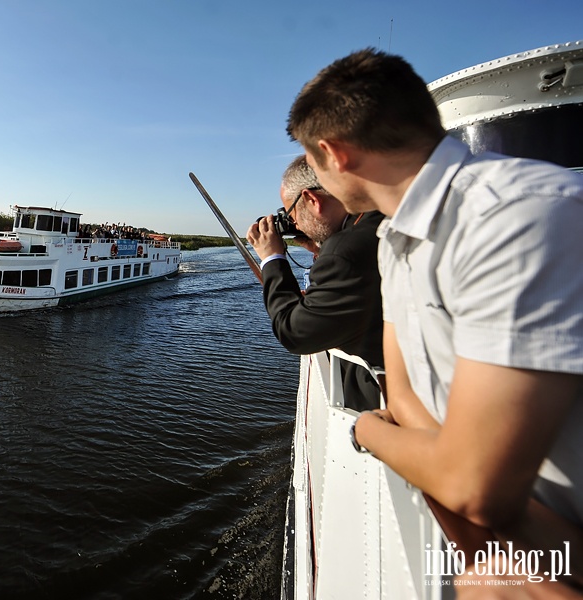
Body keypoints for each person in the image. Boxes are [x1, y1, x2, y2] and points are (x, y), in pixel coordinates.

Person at [287, 48, 583, 592]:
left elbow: (475, 485)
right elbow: (405, 401)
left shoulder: (519, 214)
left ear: (333, 154)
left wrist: (365, 429)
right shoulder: (395, 241)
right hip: (530, 551)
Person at [247, 155, 385, 411]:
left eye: (292, 213)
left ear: (312, 199)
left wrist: (272, 257)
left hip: (376, 401)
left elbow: (295, 334)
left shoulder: (343, 253)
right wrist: (318, 248)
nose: (295, 223)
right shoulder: (377, 218)